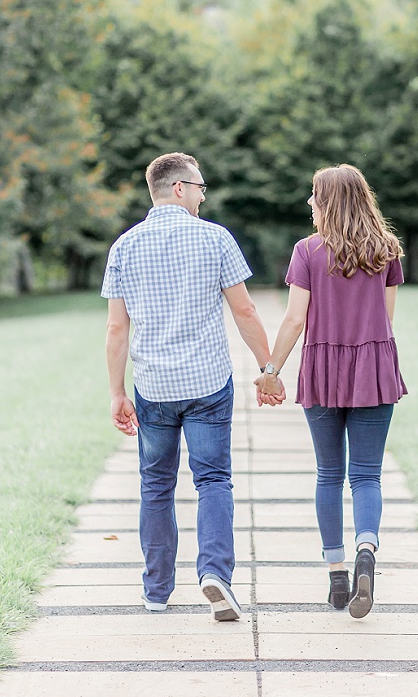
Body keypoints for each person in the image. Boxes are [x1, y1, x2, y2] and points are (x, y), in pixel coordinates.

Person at [102, 152, 283, 621]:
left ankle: (156, 590)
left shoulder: (124, 247)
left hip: (154, 387)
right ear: (179, 188)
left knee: (156, 486)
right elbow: (244, 312)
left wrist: (117, 393)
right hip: (207, 384)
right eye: (200, 187)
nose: (204, 195)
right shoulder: (215, 239)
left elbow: (117, 331)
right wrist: (268, 368)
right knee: (214, 480)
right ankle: (215, 574)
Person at [253, 164, 407, 618]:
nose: (309, 203)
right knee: (367, 475)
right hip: (374, 370)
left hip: (322, 370)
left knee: (328, 474)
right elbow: (387, 318)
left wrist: (271, 370)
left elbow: (295, 319)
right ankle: (367, 549)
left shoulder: (307, 252)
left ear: (329, 201)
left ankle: (337, 578)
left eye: (314, 195)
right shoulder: (386, 250)